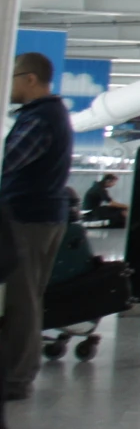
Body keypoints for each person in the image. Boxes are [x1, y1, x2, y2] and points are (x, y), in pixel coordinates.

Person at [3, 52, 76, 406]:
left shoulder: (39, 118)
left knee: (22, 299)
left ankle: (15, 378)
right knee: (28, 297)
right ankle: (17, 372)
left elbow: (9, 163)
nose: (10, 86)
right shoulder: (54, 114)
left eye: (13, 77)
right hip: (46, 215)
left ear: (30, 78)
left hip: (28, 219)